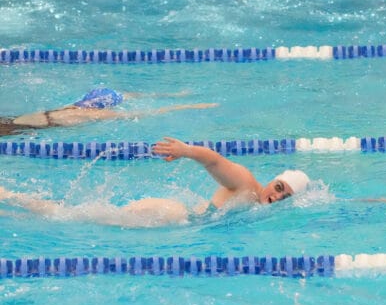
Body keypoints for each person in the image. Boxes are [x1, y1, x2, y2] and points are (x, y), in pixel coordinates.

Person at [0, 136, 311, 228]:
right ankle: (8, 196)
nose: (276, 197)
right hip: (172, 215)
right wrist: (187, 151)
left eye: (285, 198)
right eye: (279, 188)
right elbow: (216, 161)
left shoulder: (259, 208)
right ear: (274, 181)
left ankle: (10, 200)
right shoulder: (247, 185)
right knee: (68, 216)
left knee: (76, 215)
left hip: (178, 220)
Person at [0, 87, 218, 136]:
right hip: (23, 125)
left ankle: (178, 96)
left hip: (19, 123)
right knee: (126, 95)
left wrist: (185, 105)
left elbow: (144, 113)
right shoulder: (86, 109)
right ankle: (177, 94)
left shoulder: (86, 110)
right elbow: (144, 112)